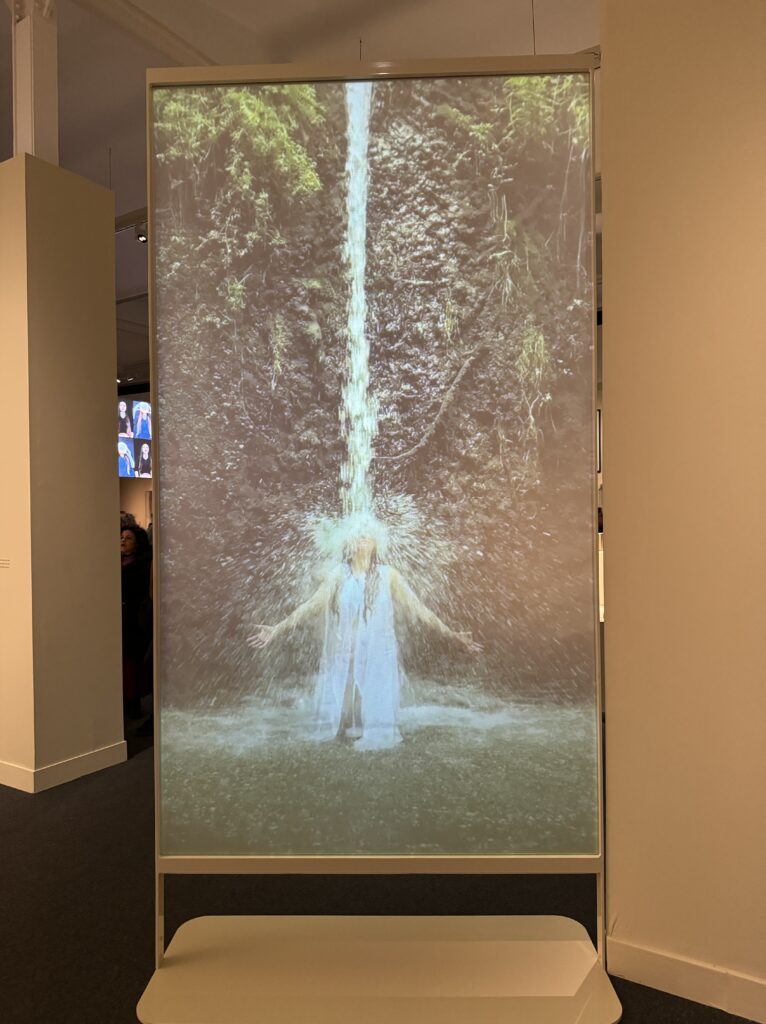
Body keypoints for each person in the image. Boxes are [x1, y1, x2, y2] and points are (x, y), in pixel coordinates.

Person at [247, 533, 480, 750]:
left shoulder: (389, 575)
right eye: (358, 534)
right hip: (346, 651)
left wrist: (451, 634)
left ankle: (372, 729)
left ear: (377, 541)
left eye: (368, 533)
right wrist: (276, 629)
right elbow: (312, 604)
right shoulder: (339, 574)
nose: (363, 538)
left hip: (378, 651)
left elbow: (419, 608)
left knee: (373, 696)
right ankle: (347, 728)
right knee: (346, 697)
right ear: (348, 542)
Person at [121, 524, 152, 719]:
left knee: (133, 664)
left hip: (134, 622)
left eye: (128, 538)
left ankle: (133, 703)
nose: (123, 541)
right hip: (120, 620)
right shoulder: (115, 563)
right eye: (122, 537)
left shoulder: (143, 566)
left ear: (137, 543)